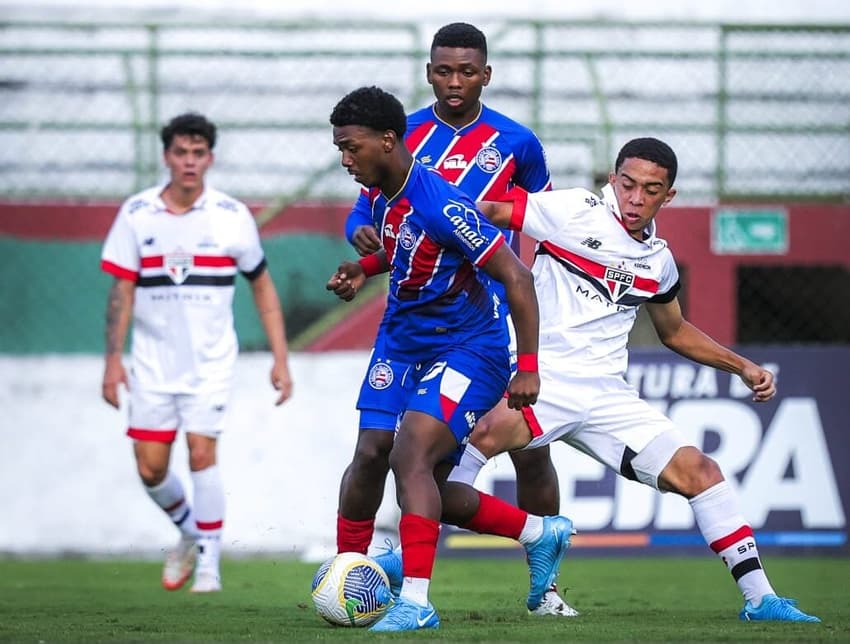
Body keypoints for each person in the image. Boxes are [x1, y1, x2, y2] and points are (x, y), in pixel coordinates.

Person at [444, 136, 820, 623]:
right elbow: (489, 209)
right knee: (474, 450)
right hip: (544, 376)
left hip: (607, 396)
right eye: (628, 185)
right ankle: (410, 572)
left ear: (670, 195)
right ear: (612, 181)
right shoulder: (575, 210)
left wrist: (742, 366)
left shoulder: (658, 263)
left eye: (651, 189)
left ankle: (761, 599)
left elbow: (675, 331)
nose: (636, 199)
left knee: (702, 474)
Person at [339, 22, 572, 617]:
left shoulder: (477, 171)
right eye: (443, 70)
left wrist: (529, 362)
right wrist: (365, 263)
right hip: (405, 332)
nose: (454, 82)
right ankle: (349, 578)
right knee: (379, 456)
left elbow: (521, 260)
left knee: (429, 456)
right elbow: (400, 239)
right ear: (428, 72)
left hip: (475, 333)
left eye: (466, 71)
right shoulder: (389, 178)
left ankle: (419, 601)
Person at [100, 112, 294, 593]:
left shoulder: (230, 217)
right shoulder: (137, 213)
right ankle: (189, 531)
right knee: (150, 468)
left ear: (210, 157)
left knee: (202, 453)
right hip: (151, 364)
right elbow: (121, 292)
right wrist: (112, 362)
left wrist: (280, 358)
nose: (189, 162)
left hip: (211, 362)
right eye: (181, 153)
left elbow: (263, 287)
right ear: (167, 156)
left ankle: (208, 567)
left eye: (198, 153)